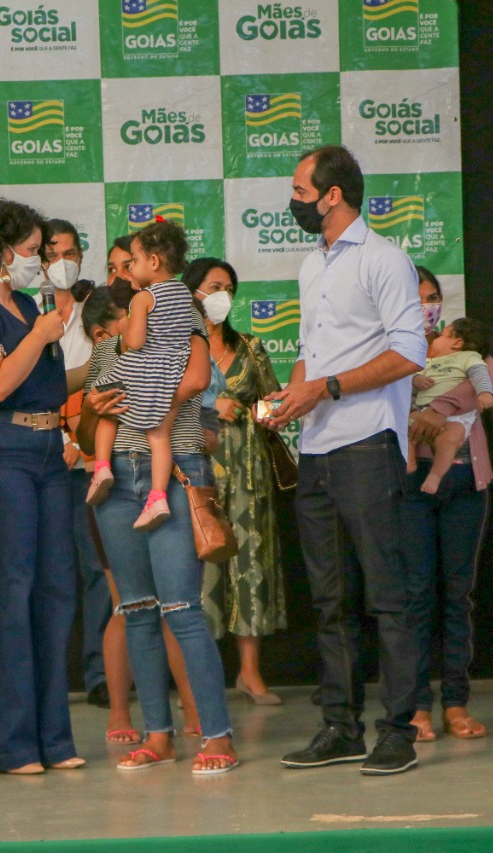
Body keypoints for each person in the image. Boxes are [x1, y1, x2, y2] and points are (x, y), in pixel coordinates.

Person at [269, 145, 425, 776]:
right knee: (330, 601)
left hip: (366, 445)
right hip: (316, 448)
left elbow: (411, 353)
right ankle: (341, 726)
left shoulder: (385, 259)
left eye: (301, 191)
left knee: (388, 598)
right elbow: (313, 349)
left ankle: (398, 730)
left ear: (333, 195)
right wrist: (293, 393)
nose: (295, 201)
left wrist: (326, 389)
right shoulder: (313, 265)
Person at [80, 268, 239, 776]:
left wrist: (164, 416)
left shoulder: (189, 340)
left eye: (153, 303)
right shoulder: (109, 351)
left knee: (182, 609)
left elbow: (204, 410)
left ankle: (218, 737)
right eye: (138, 307)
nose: (144, 313)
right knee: (138, 609)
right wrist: (92, 409)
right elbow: (93, 425)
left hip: (172, 476)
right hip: (116, 484)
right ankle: (158, 736)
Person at [0, 197, 82, 776]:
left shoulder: (28, 303)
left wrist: (107, 362)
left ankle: (54, 738)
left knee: (56, 591)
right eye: (32, 250)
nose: (40, 260)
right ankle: (12, 745)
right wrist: (43, 331)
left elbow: (49, 384)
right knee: (11, 593)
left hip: (49, 449)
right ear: (2, 252)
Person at [184, 256, 287, 705]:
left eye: (228, 287)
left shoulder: (250, 348)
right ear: (192, 292)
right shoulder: (176, 345)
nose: (221, 294)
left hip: (248, 472)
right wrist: (210, 410)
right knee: (201, 567)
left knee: (250, 565)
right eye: (212, 285)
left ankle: (249, 673)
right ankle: (200, 680)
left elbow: (275, 408)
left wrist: (247, 410)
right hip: (198, 469)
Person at [403, 330, 493, 742]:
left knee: (457, 594)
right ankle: (417, 705)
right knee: (415, 595)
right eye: (418, 299)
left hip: (465, 485)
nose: (426, 311)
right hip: (412, 489)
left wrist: (441, 408)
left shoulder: (465, 359)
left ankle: (456, 702)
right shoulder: (400, 353)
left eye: (432, 300)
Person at [43, 219, 112, 710]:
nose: (64, 261)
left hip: (89, 461)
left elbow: (105, 379)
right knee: (47, 570)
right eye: (53, 252)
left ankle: (100, 674)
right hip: (40, 455)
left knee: (96, 570)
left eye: (72, 251)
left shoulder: (98, 311)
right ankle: (46, 676)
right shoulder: (28, 312)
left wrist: (76, 438)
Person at [86, 222, 195, 532]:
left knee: (108, 407)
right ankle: (158, 497)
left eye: (133, 261)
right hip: (171, 373)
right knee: (159, 436)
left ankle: (103, 468)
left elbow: (134, 343)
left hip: (141, 369)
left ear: (154, 261)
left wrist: (134, 314)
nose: (129, 269)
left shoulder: (144, 298)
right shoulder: (184, 294)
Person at [407, 318, 493, 495]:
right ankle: (410, 460)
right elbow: (411, 377)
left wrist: (485, 392)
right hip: (423, 410)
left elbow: (480, 374)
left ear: (457, 343)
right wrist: (417, 379)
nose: (435, 339)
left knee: (448, 440)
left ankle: (436, 475)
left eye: (442, 335)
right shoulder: (430, 361)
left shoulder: (468, 357)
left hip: (457, 417)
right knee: (405, 424)